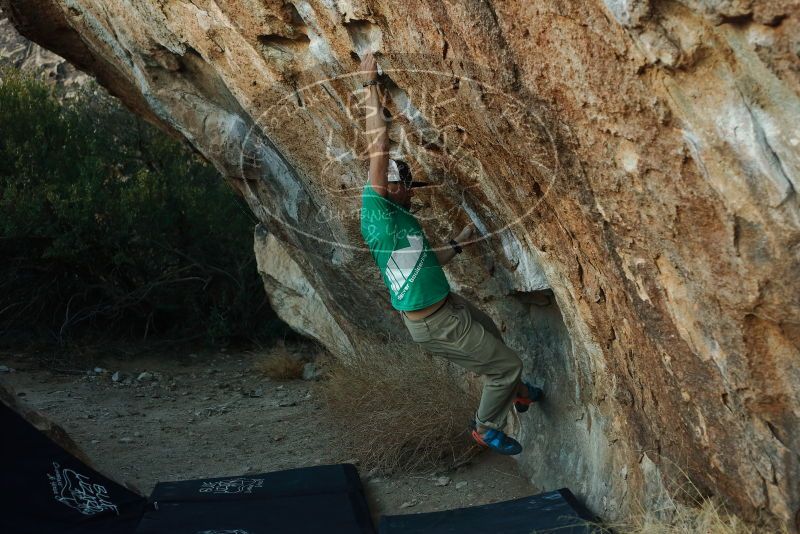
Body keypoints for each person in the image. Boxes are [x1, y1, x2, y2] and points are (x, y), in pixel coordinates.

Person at [357, 53, 542, 455]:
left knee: (491, 337)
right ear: (390, 188)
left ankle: (520, 394)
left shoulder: (400, 220)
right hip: (435, 323)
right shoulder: (378, 212)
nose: (413, 194)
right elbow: (378, 150)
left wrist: (457, 243)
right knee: (505, 366)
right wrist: (370, 86)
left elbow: (422, 263)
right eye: (408, 187)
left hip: (445, 308)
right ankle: (485, 426)